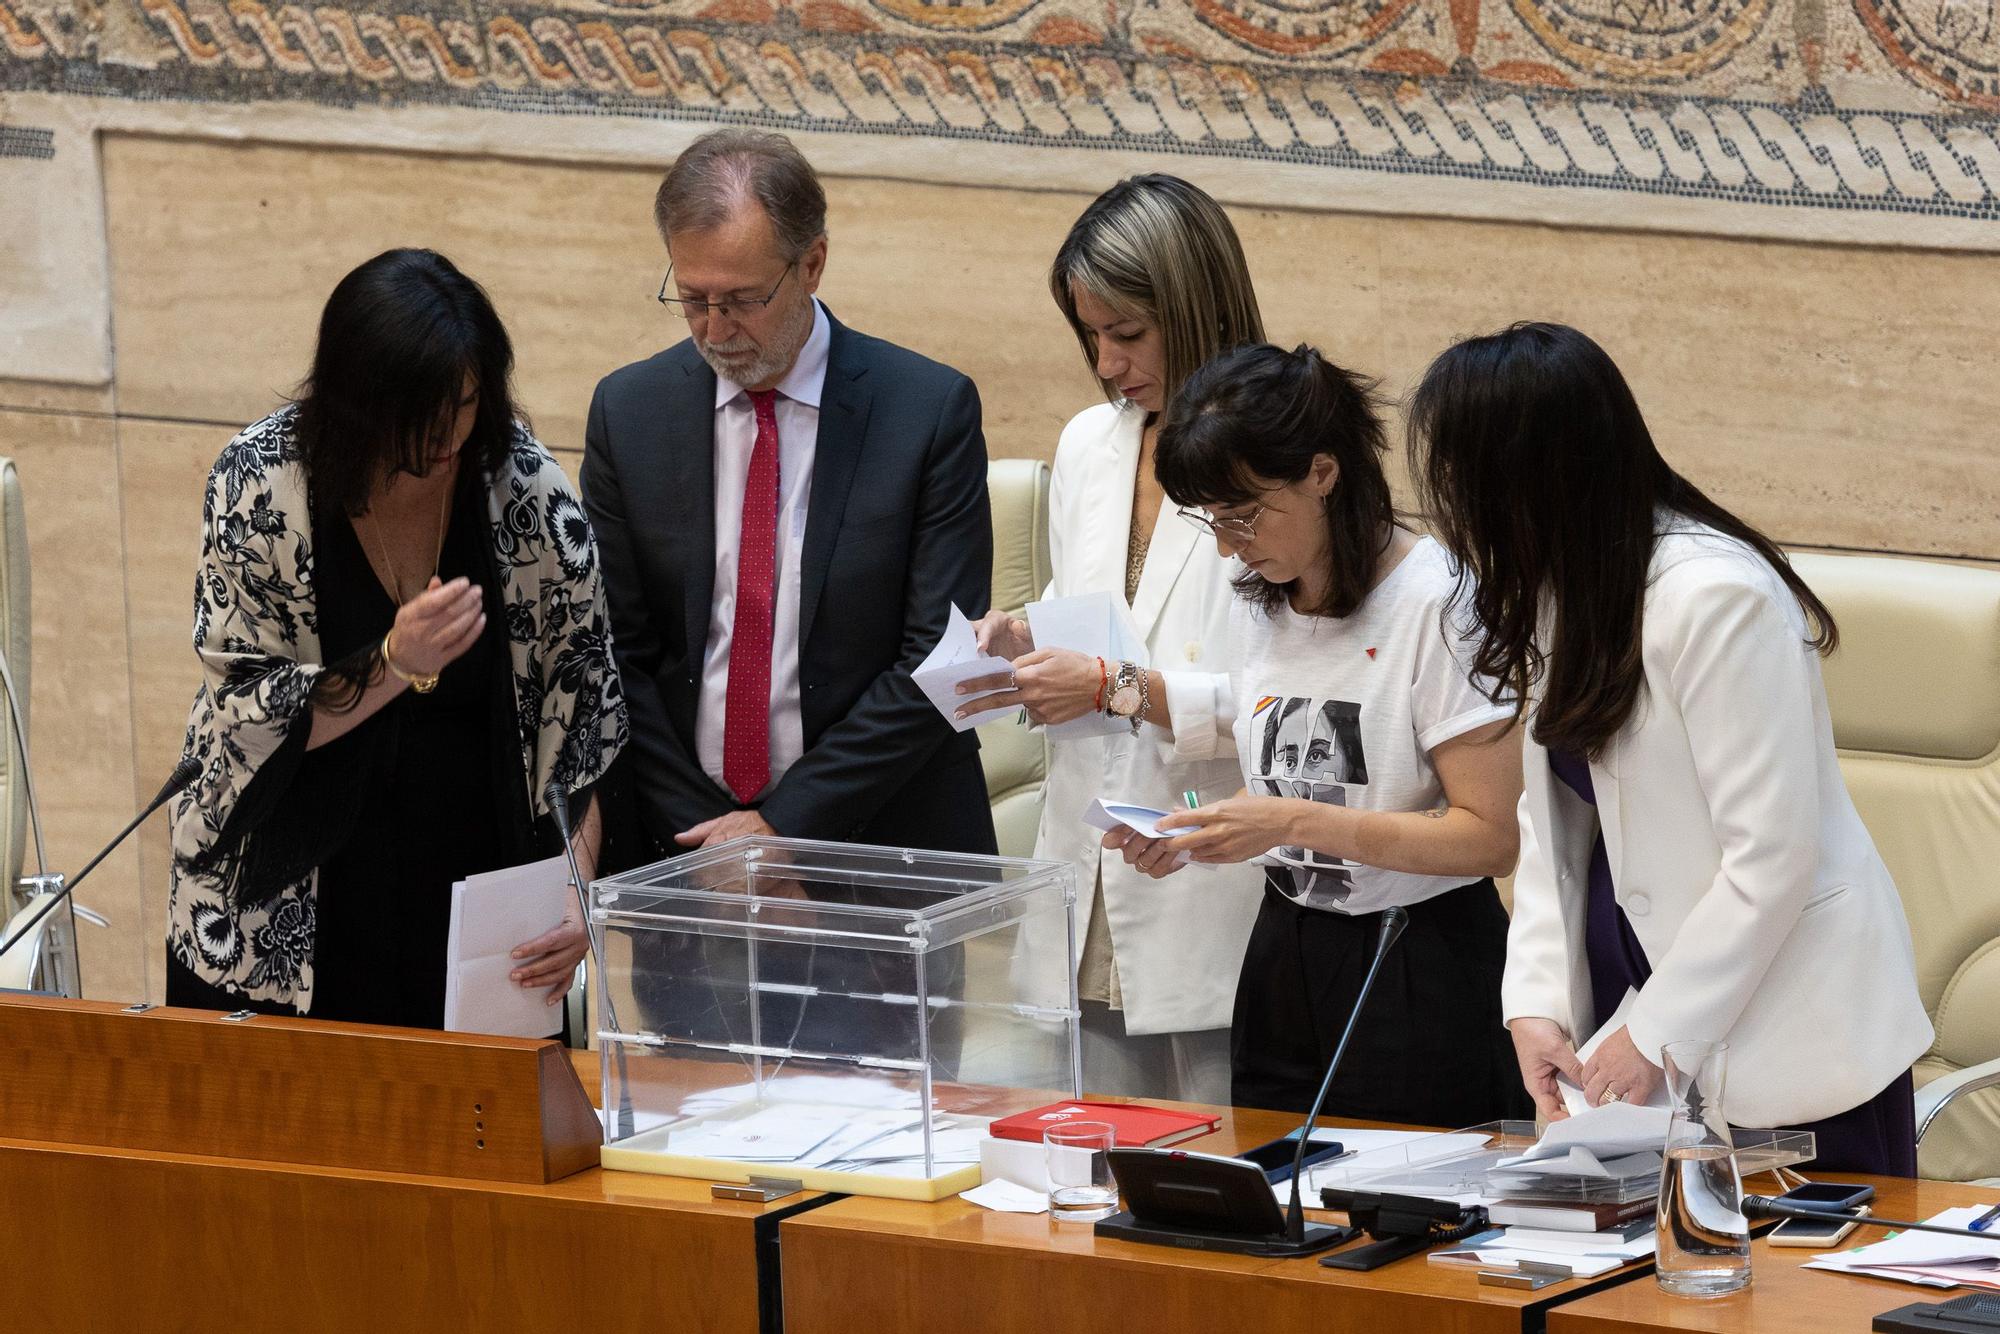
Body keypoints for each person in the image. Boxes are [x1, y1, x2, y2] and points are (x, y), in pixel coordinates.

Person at [1407, 321, 1933, 1173]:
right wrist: (1534, 1001)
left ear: (1533, 476)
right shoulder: (1563, 586)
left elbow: (1772, 855)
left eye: (1467, 480)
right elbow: (1553, 823)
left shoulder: (1717, 597)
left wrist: (1658, 1031)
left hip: (1791, 1040)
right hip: (1637, 1044)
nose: (1457, 510)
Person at [165, 248, 627, 1028]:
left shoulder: (523, 486)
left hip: (474, 909)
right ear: (359, 403)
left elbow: (585, 720)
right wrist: (391, 663)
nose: (450, 433)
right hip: (285, 909)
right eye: (421, 413)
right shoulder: (260, 482)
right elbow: (244, 719)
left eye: (467, 401)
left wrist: (577, 891)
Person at [1110, 343, 1532, 1128]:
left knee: (1403, 1191)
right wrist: (1202, 829)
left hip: (1417, 956)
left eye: (1243, 514)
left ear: (1322, 473)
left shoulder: (1439, 602)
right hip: (1286, 949)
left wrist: (1289, 822)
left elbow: (1489, 838)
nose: (1228, 545)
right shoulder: (1260, 594)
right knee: (1273, 1180)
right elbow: (1286, 765)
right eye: (1211, 520)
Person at [582, 128, 995, 863]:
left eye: (744, 300)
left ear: (812, 264)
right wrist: (715, 846)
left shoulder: (927, 411)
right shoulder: (629, 412)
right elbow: (616, 655)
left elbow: (939, 657)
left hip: (881, 848)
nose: (716, 330)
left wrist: (783, 829)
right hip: (683, 852)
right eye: (693, 299)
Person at [957, 175, 1266, 1103]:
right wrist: (1021, 638)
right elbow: (1094, 610)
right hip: (1086, 870)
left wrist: (1110, 685)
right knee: (1092, 1163)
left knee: (1218, 1157)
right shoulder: (1092, 443)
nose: (1106, 362)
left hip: (1215, 874)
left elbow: (1291, 706)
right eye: (1090, 335)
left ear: (1194, 305)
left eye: (1127, 333)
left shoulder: (1277, 454)